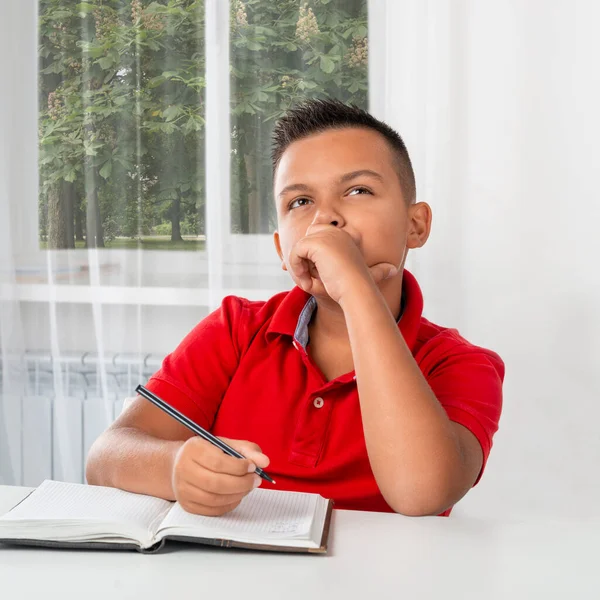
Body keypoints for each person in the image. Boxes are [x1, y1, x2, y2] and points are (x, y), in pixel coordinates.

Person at [86, 98, 504, 517]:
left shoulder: (461, 365)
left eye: (358, 190)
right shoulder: (235, 329)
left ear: (416, 225)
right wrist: (174, 467)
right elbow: (105, 456)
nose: (326, 219)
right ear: (281, 251)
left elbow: (422, 494)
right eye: (300, 202)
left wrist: (355, 290)